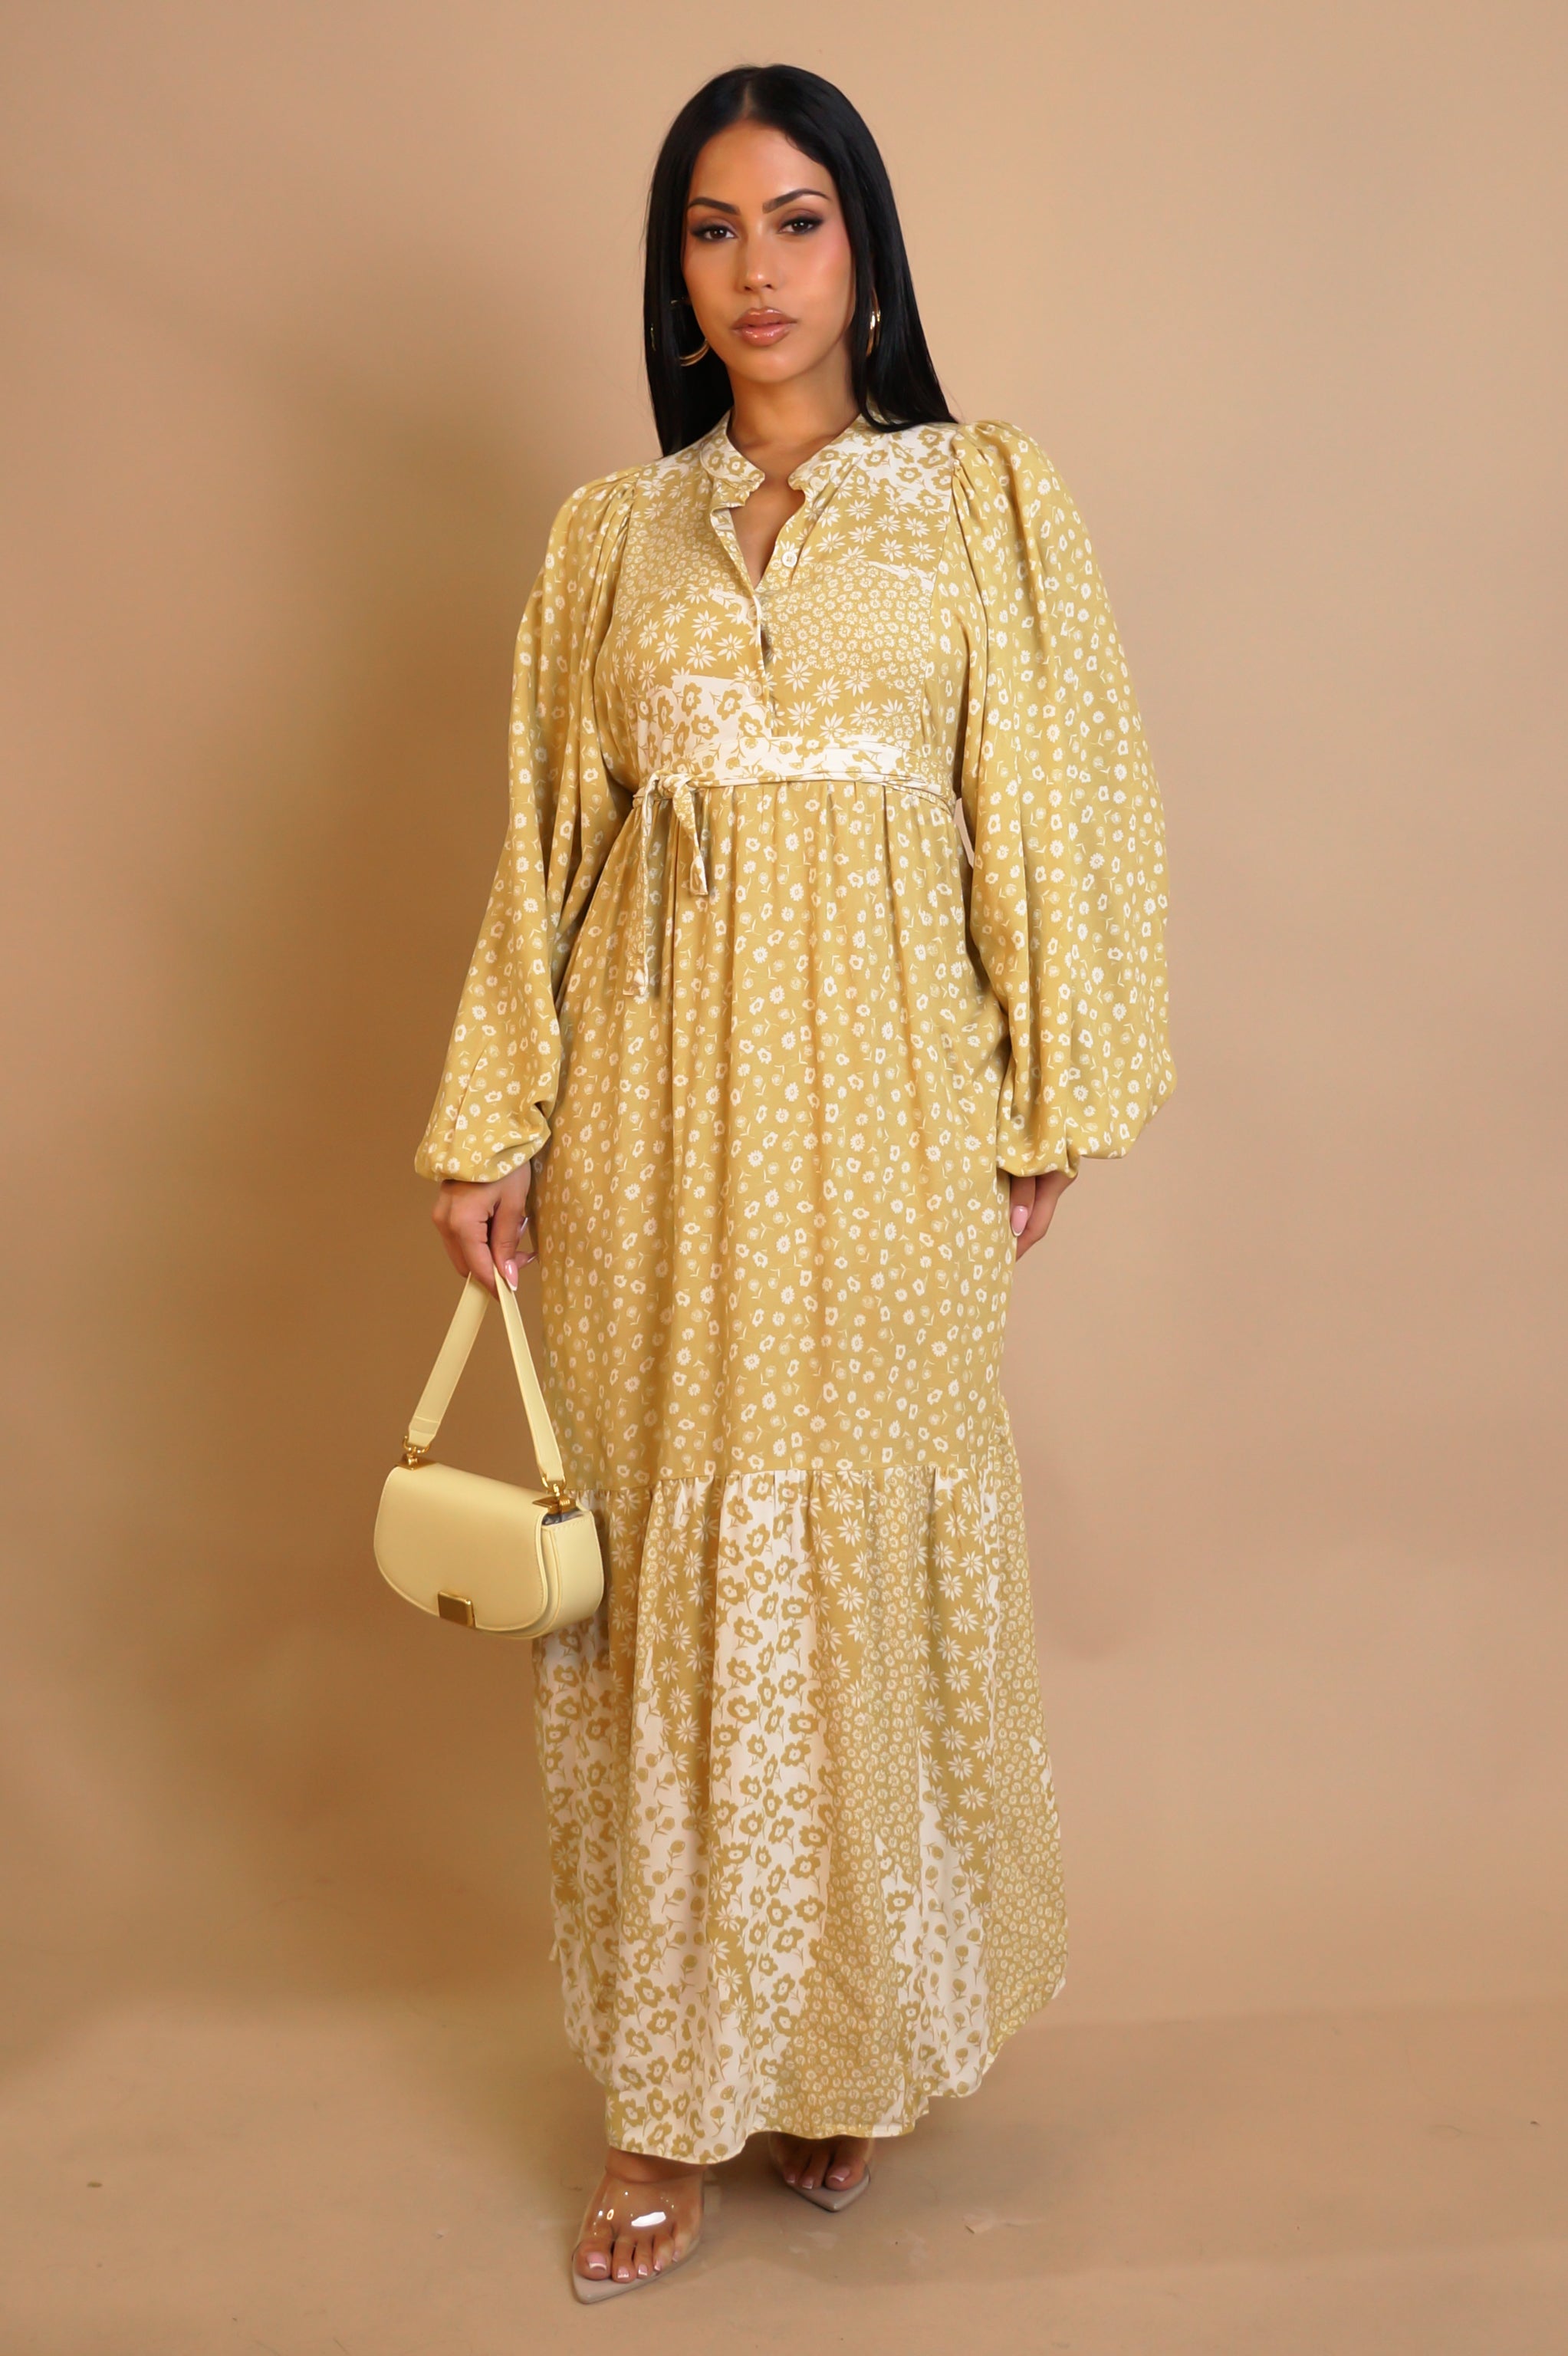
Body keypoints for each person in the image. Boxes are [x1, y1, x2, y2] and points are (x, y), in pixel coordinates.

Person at [415, 61, 1173, 2302]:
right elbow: (549, 847)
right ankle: (665, 2102)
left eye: (799, 219)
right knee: (670, 1588)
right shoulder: (608, 540)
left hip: (886, 1126)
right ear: (676, 271)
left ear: (868, 250)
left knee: (857, 1573)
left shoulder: (981, 504)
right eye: (715, 227)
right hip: (651, 1137)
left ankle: (844, 2043)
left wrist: (1045, 1095)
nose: (758, 271)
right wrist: (495, 1120)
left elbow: (1059, 798)